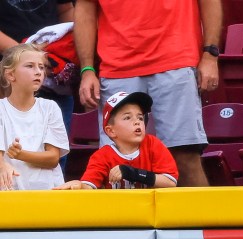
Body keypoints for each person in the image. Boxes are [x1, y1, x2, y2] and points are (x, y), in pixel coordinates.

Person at [73, 0, 221, 187]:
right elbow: (85, 8)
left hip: (176, 58)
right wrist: (87, 68)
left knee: (184, 155)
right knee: (116, 157)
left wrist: (210, 55)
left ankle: (202, 217)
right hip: (117, 66)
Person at [55, 91, 178, 189]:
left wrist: (133, 173)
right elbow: (89, 186)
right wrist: (78, 185)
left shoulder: (153, 144)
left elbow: (170, 182)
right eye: (127, 117)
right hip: (116, 217)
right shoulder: (102, 156)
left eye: (140, 118)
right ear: (111, 131)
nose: (137, 122)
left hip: (150, 216)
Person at [0, 0, 75, 161]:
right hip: (8, 73)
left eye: (38, 68)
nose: (37, 72)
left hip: (55, 74)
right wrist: (27, 55)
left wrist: (67, 49)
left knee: (58, 155)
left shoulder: (52, 108)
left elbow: (67, 9)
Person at [0, 44, 68, 190]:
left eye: (41, 67)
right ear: (10, 75)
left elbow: (53, 159)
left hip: (46, 192)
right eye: (30, 66)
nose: (38, 72)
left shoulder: (50, 108)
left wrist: (19, 154)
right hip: (9, 193)